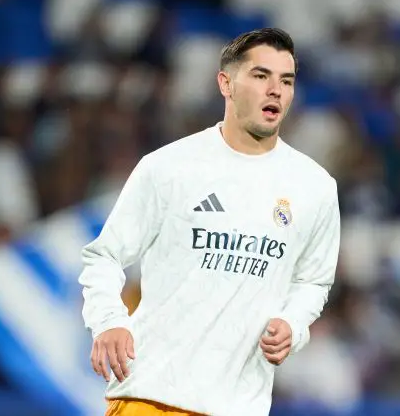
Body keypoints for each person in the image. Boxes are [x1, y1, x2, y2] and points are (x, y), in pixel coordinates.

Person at [79, 27, 341, 416]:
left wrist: (292, 324)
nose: (275, 90)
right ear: (226, 83)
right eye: (260, 76)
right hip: (153, 396)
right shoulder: (168, 168)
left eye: (286, 81)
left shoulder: (315, 186)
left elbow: (313, 281)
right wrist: (109, 322)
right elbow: (104, 256)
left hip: (239, 406)